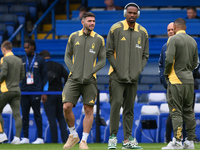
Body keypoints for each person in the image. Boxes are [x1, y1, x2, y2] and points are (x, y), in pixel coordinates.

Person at [106, 2, 149, 149]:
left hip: (133, 78)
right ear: (125, 13)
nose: (132, 15)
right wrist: (118, 69)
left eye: (134, 13)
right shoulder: (116, 28)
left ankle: (127, 141)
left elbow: (145, 55)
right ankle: (112, 139)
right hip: (117, 77)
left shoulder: (143, 32)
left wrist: (138, 70)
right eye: (130, 12)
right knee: (115, 106)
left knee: (129, 109)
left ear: (138, 14)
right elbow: (109, 52)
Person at [62, 12, 106, 149]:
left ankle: (84, 141)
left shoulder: (99, 39)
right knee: (66, 107)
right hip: (73, 79)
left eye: (94, 21)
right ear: (83, 22)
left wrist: (91, 71)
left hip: (90, 80)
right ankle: (73, 135)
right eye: (89, 21)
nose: (92, 23)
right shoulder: (74, 36)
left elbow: (103, 60)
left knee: (88, 109)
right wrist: (73, 70)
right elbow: (67, 56)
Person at [162, 18, 198, 149]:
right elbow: (195, 63)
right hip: (189, 80)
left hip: (176, 80)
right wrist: (188, 71)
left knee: (176, 112)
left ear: (175, 28)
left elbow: (169, 59)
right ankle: (190, 141)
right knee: (189, 111)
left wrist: (167, 73)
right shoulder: (193, 41)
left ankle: (177, 141)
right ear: (185, 27)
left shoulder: (173, 39)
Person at [20, 39, 47, 144]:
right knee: (25, 115)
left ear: (33, 47)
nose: (25, 49)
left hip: (36, 91)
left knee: (37, 114)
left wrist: (44, 92)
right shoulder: (22, 59)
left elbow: (45, 77)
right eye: (24, 47)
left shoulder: (40, 59)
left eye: (27, 47)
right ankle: (25, 137)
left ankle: (40, 138)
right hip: (24, 91)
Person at [39, 50, 69, 143]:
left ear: (41, 58)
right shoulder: (59, 65)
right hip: (60, 94)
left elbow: (41, 81)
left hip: (48, 95)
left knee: (51, 119)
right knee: (61, 118)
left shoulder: (42, 67)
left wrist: (43, 93)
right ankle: (65, 140)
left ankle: (54, 141)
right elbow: (68, 77)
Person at [0, 41, 25, 144]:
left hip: (6, 90)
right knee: (17, 114)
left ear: (4, 49)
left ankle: (2, 134)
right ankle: (17, 138)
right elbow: (22, 75)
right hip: (16, 90)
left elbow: (4, 72)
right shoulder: (19, 60)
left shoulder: (4, 59)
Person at [158, 22, 175, 143]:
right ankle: (169, 139)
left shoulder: (185, 44)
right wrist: (166, 83)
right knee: (173, 112)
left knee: (185, 112)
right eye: (168, 30)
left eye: (172, 29)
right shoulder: (165, 46)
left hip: (185, 85)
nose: (170, 32)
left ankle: (186, 138)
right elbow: (161, 66)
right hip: (170, 85)